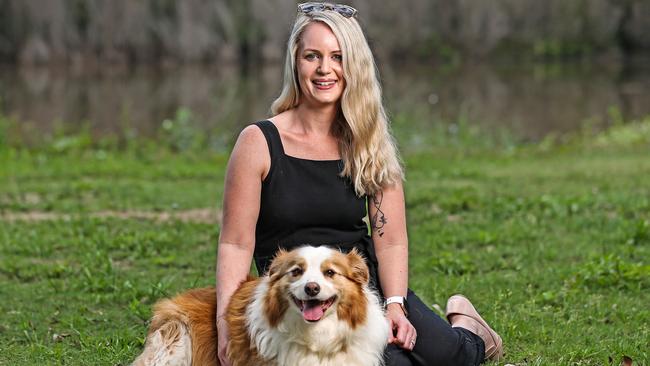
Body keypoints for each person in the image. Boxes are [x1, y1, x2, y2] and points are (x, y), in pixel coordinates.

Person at [215, 2, 503, 365]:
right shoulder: (257, 142)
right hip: (297, 293)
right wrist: (226, 321)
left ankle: (472, 332)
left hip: (361, 288)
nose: (325, 69)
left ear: (354, 65)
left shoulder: (367, 140)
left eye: (338, 56)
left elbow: (391, 238)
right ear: (295, 61)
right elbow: (235, 243)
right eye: (312, 56)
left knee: (449, 356)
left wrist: (395, 304)